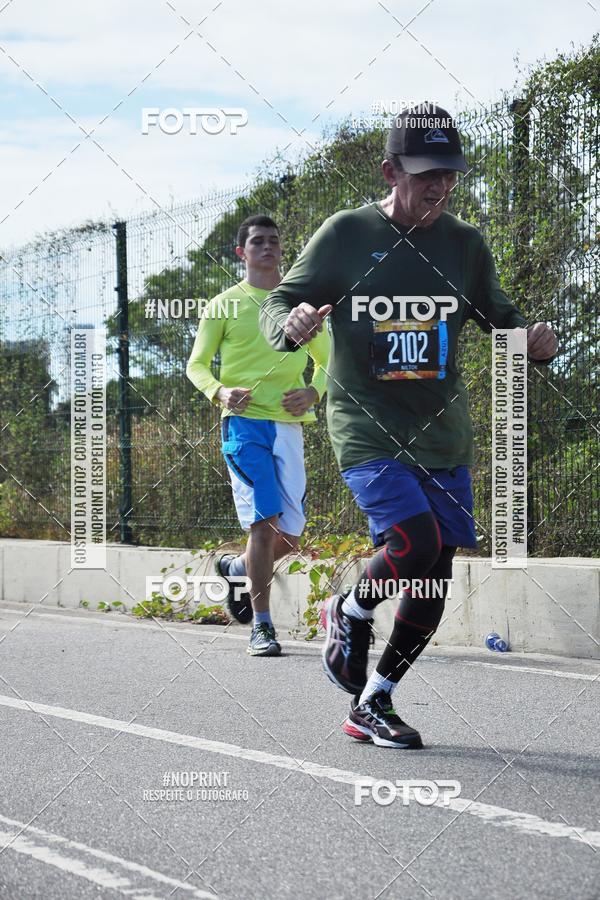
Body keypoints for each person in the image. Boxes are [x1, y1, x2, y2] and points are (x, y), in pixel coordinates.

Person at [259, 105, 558, 744]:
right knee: (414, 545)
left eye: (449, 175)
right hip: (367, 429)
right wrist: (290, 323)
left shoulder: (465, 245)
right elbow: (281, 302)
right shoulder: (346, 235)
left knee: (434, 570)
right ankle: (350, 608)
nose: (440, 187)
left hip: (442, 434)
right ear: (390, 171)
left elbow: (500, 318)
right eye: (426, 175)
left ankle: (375, 699)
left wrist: (532, 341)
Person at [186, 215, 330, 657]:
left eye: (273, 241)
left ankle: (236, 568)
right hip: (244, 426)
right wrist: (220, 391)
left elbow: (327, 362)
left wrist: (314, 391)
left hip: (288, 426)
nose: (267, 247)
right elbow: (196, 365)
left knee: (291, 536)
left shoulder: (300, 307)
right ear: (241, 252)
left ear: (281, 249)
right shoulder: (224, 305)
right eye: (258, 242)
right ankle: (263, 626)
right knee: (264, 524)